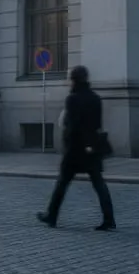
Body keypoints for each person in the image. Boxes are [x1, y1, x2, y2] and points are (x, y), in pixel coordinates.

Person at [36, 65, 116, 231]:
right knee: (99, 184)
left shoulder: (72, 99)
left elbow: (71, 126)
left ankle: (51, 215)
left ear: (73, 80)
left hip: (75, 149)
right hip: (92, 147)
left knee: (62, 183)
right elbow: (98, 124)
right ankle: (109, 219)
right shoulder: (95, 97)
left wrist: (66, 145)